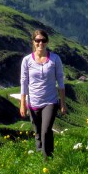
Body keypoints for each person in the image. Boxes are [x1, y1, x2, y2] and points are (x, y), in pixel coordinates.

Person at [20, 29, 67, 158]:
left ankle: (47, 160)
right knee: (38, 133)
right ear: (33, 42)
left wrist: (63, 103)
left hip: (50, 101)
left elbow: (60, 81)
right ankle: (41, 155)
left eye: (43, 40)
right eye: (38, 40)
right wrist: (23, 104)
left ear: (47, 42)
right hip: (33, 103)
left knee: (46, 130)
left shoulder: (55, 59)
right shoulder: (26, 60)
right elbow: (23, 82)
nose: (40, 43)